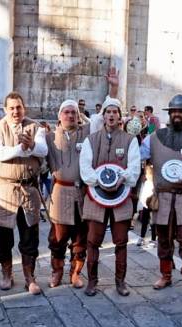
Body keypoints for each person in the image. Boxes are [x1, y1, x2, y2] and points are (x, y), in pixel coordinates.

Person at [141, 94, 182, 296]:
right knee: (164, 239)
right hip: (163, 197)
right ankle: (166, 275)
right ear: (169, 114)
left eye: (181, 111)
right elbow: (137, 156)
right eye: (174, 111)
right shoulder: (154, 138)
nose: (177, 114)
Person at [0, 92, 47, 295]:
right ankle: (6, 274)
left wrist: (33, 146)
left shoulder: (35, 127)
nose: (15, 111)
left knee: (30, 236)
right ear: (5, 109)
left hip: (28, 190)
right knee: (2, 237)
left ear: (24, 108)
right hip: (4, 189)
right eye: (11, 108)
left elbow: (44, 150)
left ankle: (29, 276)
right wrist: (23, 148)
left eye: (18, 107)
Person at [80, 97, 140, 297]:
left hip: (121, 196)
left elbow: (134, 168)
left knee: (121, 241)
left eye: (115, 112)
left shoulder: (130, 140)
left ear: (119, 116)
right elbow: (85, 168)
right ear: (103, 116)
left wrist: (120, 178)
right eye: (108, 112)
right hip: (95, 196)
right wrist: (101, 182)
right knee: (92, 241)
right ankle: (92, 282)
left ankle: (120, 282)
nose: (111, 115)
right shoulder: (91, 139)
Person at [45, 100, 90, 289]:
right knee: (58, 237)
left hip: (81, 193)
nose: (70, 116)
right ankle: (57, 272)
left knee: (80, 237)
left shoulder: (87, 134)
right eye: (66, 112)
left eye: (74, 112)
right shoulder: (48, 137)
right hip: (60, 192)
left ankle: (76, 273)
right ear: (59, 115)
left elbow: (103, 117)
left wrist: (113, 91)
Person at [136, 165, 156, 247]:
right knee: (144, 222)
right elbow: (142, 194)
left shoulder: (154, 183)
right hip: (145, 205)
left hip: (152, 205)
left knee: (152, 223)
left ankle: (154, 239)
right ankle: (142, 237)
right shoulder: (146, 182)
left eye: (146, 173)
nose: (145, 175)